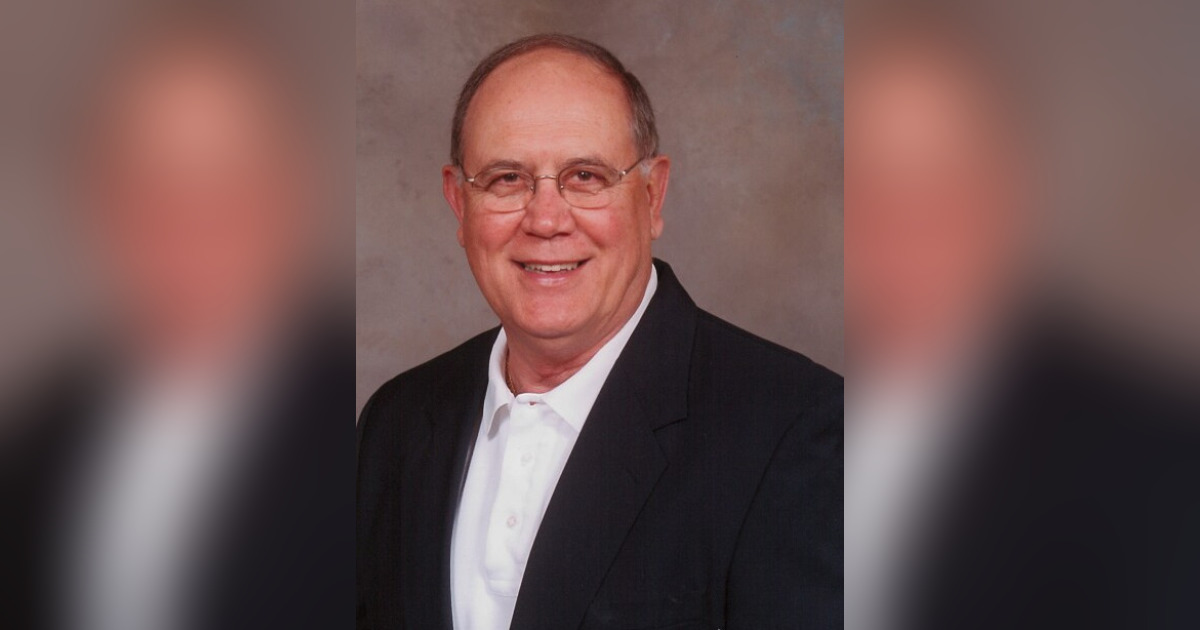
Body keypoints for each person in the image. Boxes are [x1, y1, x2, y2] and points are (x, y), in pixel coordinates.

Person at [356, 34, 843, 629]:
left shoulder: (799, 430)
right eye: (507, 178)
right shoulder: (396, 424)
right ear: (459, 204)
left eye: (585, 176)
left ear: (652, 195)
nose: (546, 220)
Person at [1, 9, 351, 630]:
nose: (187, 226)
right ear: (93, 201)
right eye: (148, 184)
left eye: (228, 183)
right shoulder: (40, 437)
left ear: (294, 197)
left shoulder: (369, 437)